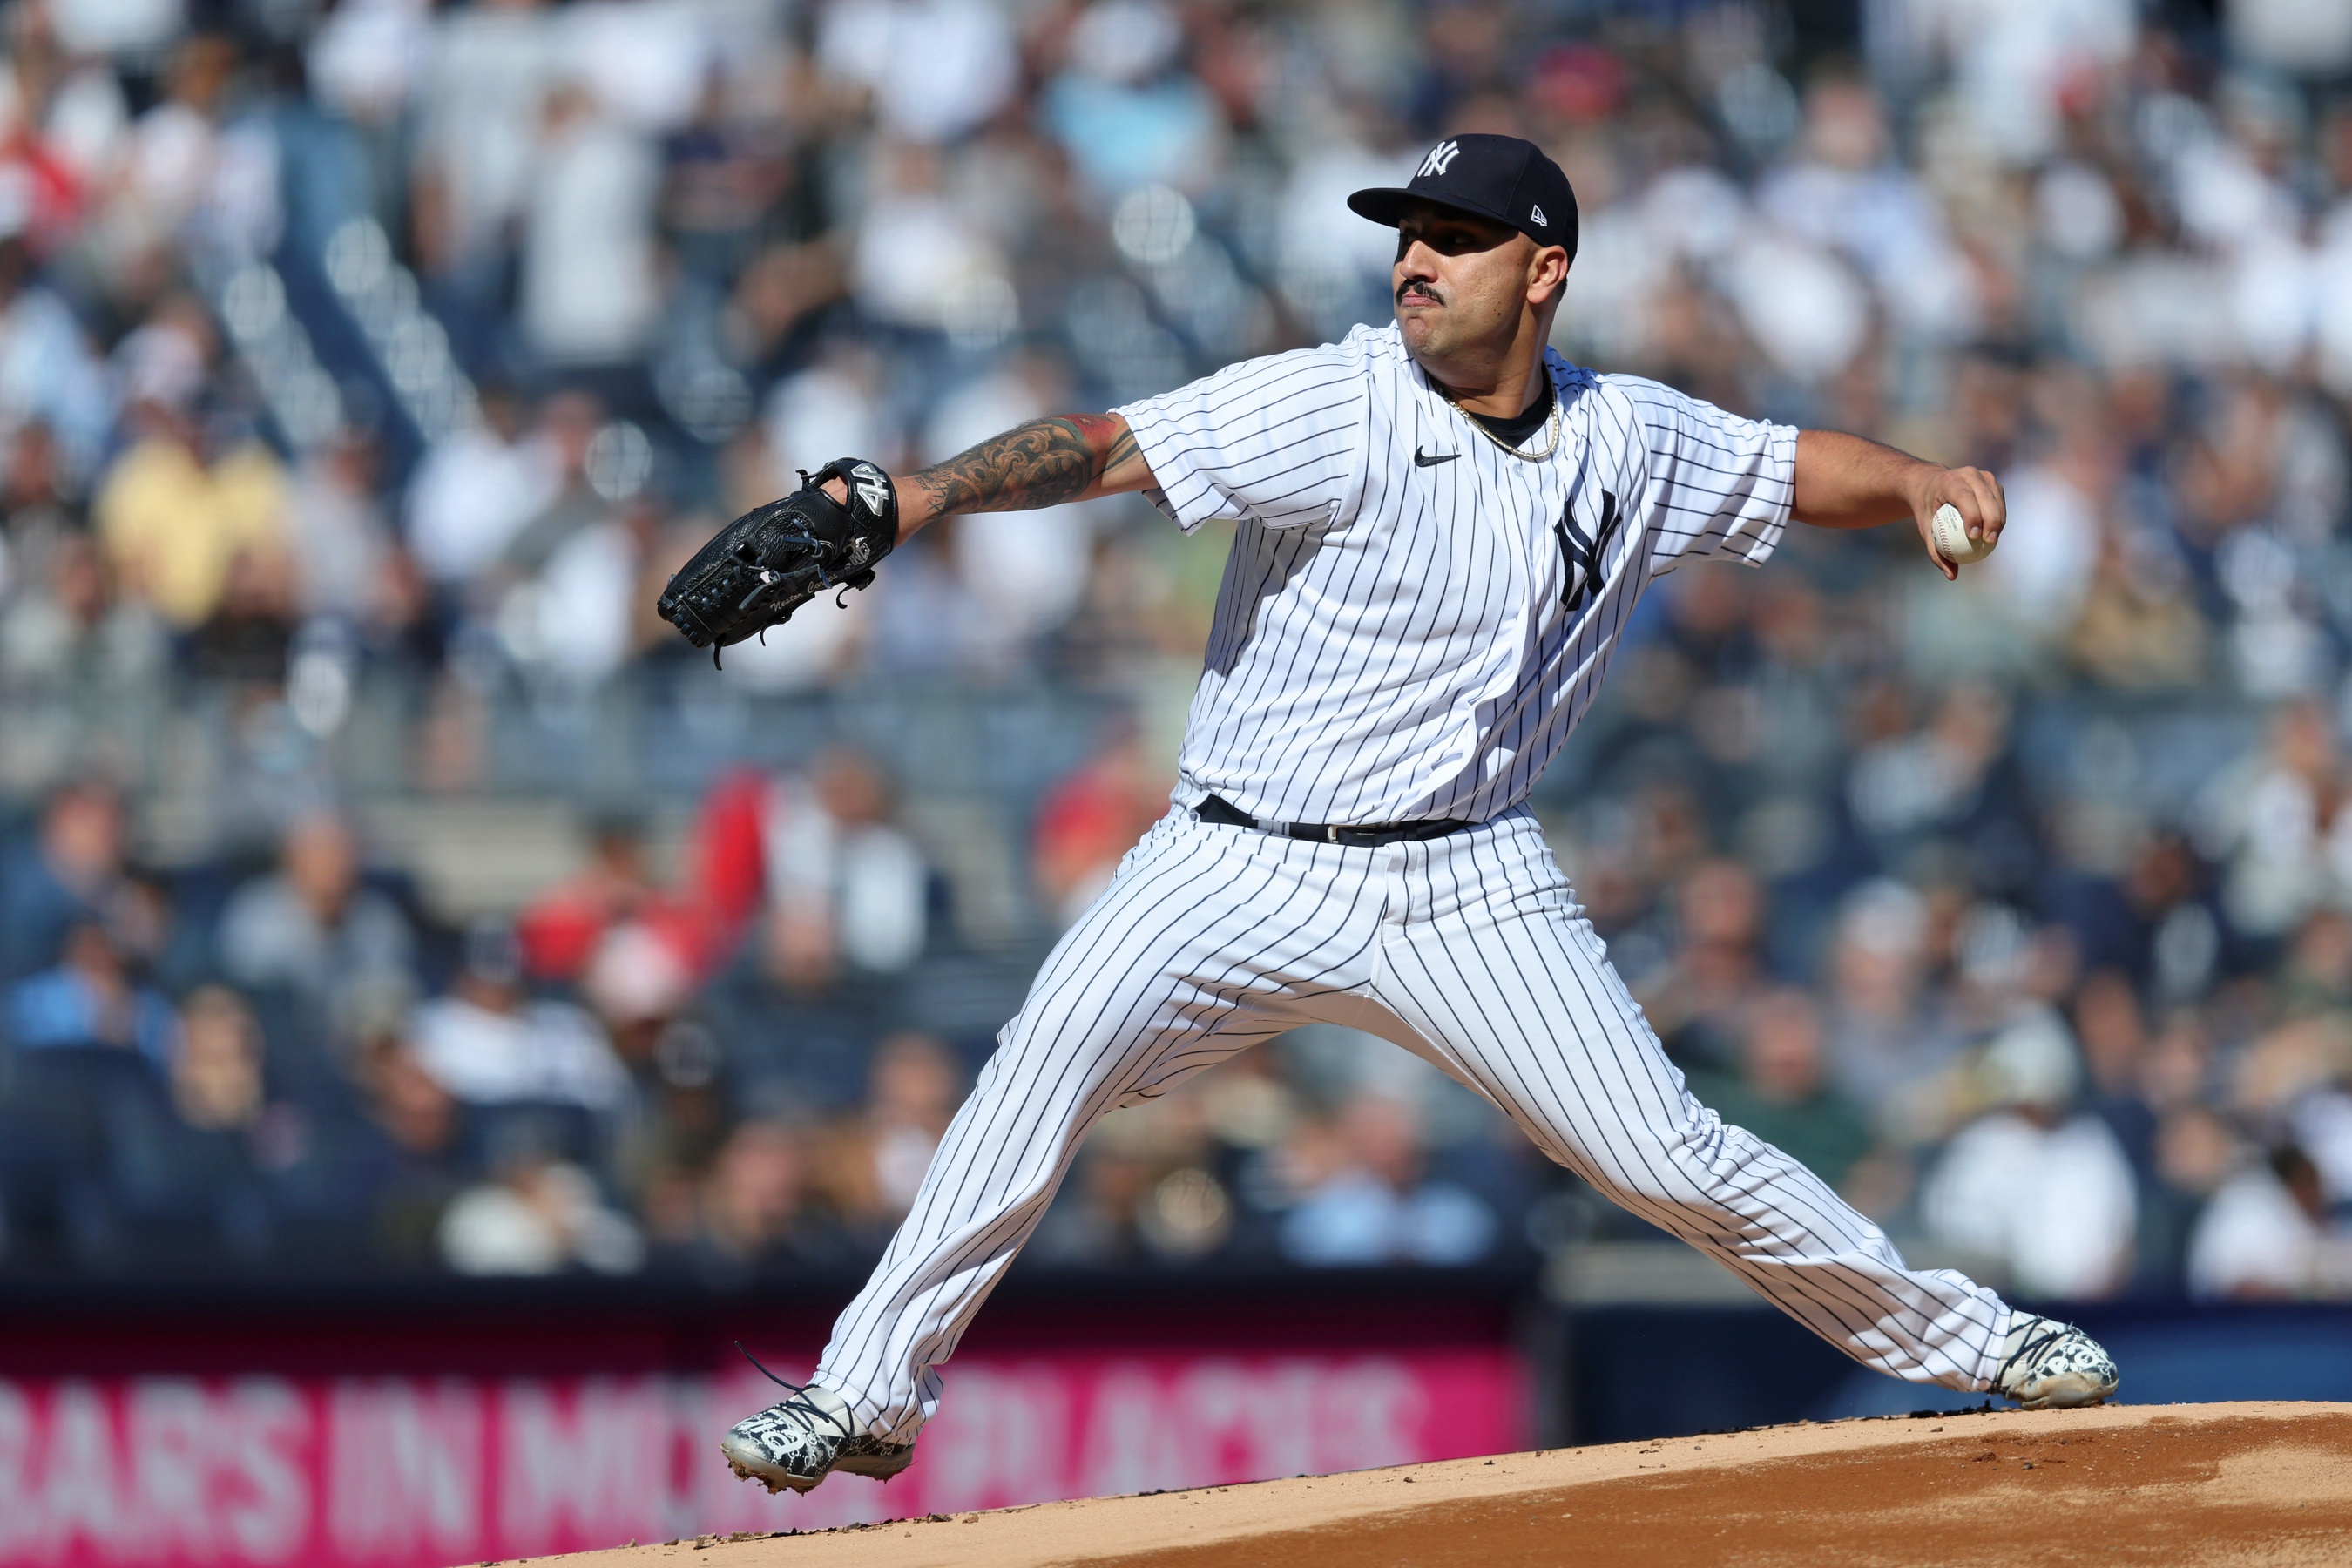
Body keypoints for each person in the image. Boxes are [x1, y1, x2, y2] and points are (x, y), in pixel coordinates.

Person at [712, 133, 2119, 1496]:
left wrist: (1921, 482)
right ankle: (865, 1395)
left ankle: (1979, 1342)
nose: (1414, 262)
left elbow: (1788, 467)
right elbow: (1109, 445)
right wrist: (923, 496)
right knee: (1041, 1070)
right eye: (1407, 235)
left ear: (1545, 268)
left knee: (1665, 1156)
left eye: (1455, 238)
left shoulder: (1626, 438)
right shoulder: (1339, 403)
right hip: (1234, 860)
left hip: (1471, 881)